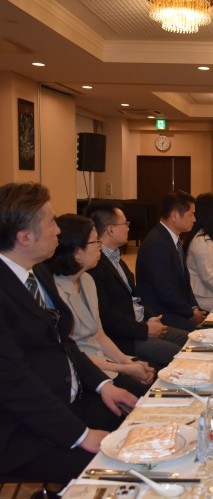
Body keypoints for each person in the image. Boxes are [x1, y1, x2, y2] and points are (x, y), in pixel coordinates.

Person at [0, 182, 136, 484]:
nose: (58, 231)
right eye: (51, 222)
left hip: (71, 399)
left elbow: (63, 341)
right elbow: (13, 382)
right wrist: (80, 435)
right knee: (120, 469)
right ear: (24, 237)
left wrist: (103, 385)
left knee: (142, 424)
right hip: (24, 427)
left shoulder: (39, 272)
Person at [48, 214, 155, 397]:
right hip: (85, 375)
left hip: (105, 362)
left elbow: (99, 334)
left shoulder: (87, 280)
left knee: (154, 377)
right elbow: (74, 354)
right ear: (77, 252)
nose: (100, 246)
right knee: (148, 394)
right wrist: (125, 368)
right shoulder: (55, 291)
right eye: (95, 241)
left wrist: (128, 362)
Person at [84, 200, 188, 367]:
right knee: (182, 356)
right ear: (110, 229)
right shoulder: (95, 266)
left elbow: (136, 296)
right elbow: (108, 317)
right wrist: (145, 330)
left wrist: (152, 318)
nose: (128, 228)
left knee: (190, 340)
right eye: (125, 223)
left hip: (142, 324)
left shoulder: (116, 258)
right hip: (126, 337)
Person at [135, 190, 206, 332]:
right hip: (161, 314)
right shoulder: (156, 244)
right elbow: (165, 292)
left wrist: (193, 308)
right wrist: (190, 313)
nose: (194, 219)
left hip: (176, 308)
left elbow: (185, 282)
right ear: (174, 215)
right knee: (205, 334)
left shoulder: (173, 239)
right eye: (191, 214)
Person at [184, 193, 213, 311]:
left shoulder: (211, 236)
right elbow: (208, 277)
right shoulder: (201, 240)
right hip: (203, 297)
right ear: (211, 215)